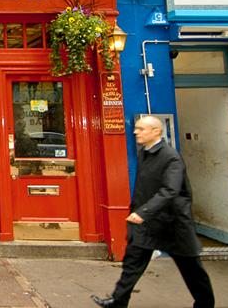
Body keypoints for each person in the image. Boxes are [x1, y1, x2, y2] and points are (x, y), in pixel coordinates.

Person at [91, 115, 214, 308]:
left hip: (172, 224)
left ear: (156, 131)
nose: (135, 132)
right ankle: (118, 301)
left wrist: (143, 212)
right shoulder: (144, 153)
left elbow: (170, 191)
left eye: (141, 129)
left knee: (191, 269)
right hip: (148, 223)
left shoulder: (170, 156)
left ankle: (205, 303)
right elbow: (144, 188)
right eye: (137, 128)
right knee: (132, 264)